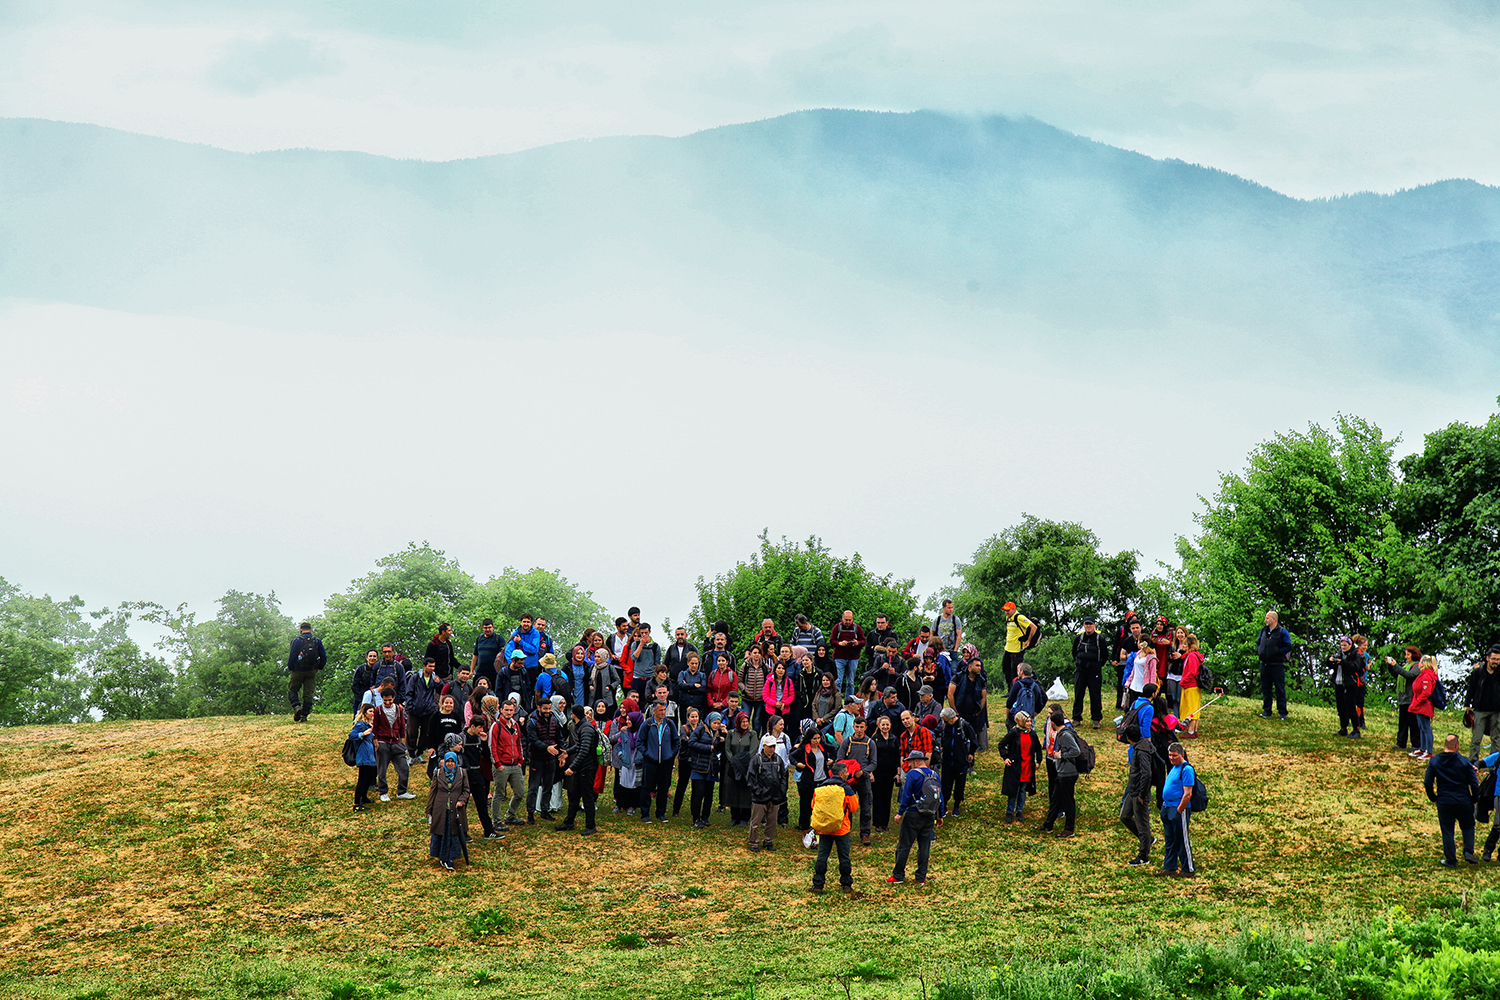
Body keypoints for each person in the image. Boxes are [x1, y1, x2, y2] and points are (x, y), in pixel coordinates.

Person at [1422, 733, 1480, 866]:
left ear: (1445, 745)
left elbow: (1427, 782)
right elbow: (1474, 783)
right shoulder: (1464, 762)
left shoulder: (1435, 761)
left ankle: (1451, 860)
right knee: (1468, 826)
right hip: (1463, 799)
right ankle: (1468, 851)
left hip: (1444, 800)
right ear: (1457, 745)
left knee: (1447, 830)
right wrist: (1474, 798)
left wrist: (1433, 797)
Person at [888, 749, 942, 884]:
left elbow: (906, 795)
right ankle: (921, 877)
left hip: (913, 813)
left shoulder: (913, 774)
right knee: (924, 846)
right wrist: (940, 814)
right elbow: (940, 795)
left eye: (911, 762)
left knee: (904, 845)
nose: (909, 765)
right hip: (929, 814)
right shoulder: (935, 774)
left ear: (916, 761)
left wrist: (900, 813)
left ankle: (898, 875)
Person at [809, 760, 859, 894]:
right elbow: (854, 808)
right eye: (847, 772)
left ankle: (818, 885)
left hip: (824, 828)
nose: (848, 774)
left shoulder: (820, 787)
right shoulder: (846, 789)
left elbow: (814, 805)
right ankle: (846, 884)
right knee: (844, 857)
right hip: (841, 829)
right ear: (842, 774)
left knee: (822, 856)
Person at [555, 704, 601, 834]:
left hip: (587, 768)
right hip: (582, 768)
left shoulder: (585, 728)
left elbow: (584, 751)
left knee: (587, 798)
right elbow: (579, 745)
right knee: (574, 795)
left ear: (573, 715)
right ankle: (569, 822)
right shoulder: (582, 726)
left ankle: (591, 826)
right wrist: (567, 752)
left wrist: (572, 767)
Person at [1040, 706, 1082, 837]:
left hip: (1068, 773)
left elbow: (1076, 751)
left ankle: (1069, 829)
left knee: (1067, 801)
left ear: (1053, 724)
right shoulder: (1063, 733)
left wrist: (1061, 755)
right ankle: (1048, 824)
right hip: (1062, 772)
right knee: (1055, 798)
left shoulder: (1065, 735)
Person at [525, 694, 567, 823]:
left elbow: (559, 738)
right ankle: (530, 813)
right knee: (534, 787)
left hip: (551, 759)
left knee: (548, 786)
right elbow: (533, 740)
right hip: (537, 758)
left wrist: (562, 752)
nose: (548, 711)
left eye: (549, 708)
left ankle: (545, 810)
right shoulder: (532, 722)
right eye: (545, 709)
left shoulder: (554, 720)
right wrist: (546, 747)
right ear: (539, 707)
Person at [426, 750, 470, 871]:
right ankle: (442, 856)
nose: (450, 764)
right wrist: (429, 809)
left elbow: (466, 790)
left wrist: (462, 800)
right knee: (441, 833)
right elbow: (433, 791)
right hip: (440, 809)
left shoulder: (462, 773)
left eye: (452, 761)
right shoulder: (438, 773)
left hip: (455, 810)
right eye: (448, 761)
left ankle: (450, 857)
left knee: (454, 833)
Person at [371, 686, 414, 802]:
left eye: (389, 700)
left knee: (404, 768)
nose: (387, 702)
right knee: (382, 770)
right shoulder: (378, 710)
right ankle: (383, 792)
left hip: (396, 743)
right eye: (385, 700)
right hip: (383, 743)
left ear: (393, 698)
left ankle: (402, 791)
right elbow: (374, 727)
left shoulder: (399, 710)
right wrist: (376, 741)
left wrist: (403, 742)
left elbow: (402, 726)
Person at [638, 699, 678, 823]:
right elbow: (640, 742)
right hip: (651, 761)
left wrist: (671, 755)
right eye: (660, 710)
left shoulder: (670, 724)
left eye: (664, 709)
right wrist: (647, 754)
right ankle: (645, 814)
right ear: (654, 710)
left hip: (665, 762)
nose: (663, 712)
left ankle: (661, 813)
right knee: (647, 787)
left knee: (663, 788)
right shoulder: (647, 724)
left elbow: (676, 741)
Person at [999, 711, 1043, 822]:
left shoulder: (1032, 734)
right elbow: (1001, 744)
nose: (1029, 723)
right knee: (1014, 789)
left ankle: (1019, 810)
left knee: (1023, 789)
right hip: (1016, 766)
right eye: (1026, 721)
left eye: (1030, 721)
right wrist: (1005, 757)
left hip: (1027, 766)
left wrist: (1038, 761)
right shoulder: (1014, 733)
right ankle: (1009, 811)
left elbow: (1038, 748)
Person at [839, 715, 877, 844]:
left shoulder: (870, 743)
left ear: (866, 728)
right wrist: (849, 772)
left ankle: (865, 833)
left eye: (862, 727)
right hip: (849, 780)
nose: (859, 729)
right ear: (853, 727)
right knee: (847, 806)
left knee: (866, 806)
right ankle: (846, 831)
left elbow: (874, 762)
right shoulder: (847, 741)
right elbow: (839, 760)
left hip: (864, 778)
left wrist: (863, 772)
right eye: (857, 727)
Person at [1160, 742, 1197, 876]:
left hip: (1178, 808)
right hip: (1167, 807)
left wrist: (1179, 810)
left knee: (1182, 839)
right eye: (1170, 755)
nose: (1171, 758)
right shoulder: (1173, 768)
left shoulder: (1186, 769)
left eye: (1174, 755)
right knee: (1170, 839)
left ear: (1182, 755)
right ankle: (1170, 866)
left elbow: (1188, 794)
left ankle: (1188, 868)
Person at [489, 698, 526, 829]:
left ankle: (510, 815)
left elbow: (519, 743)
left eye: (511, 710)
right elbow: (492, 746)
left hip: (515, 764)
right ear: (501, 710)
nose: (509, 712)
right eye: (506, 710)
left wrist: (521, 760)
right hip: (502, 765)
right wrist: (497, 764)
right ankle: (496, 821)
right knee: (499, 793)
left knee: (520, 792)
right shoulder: (496, 726)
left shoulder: (515, 725)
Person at [747, 734, 788, 852]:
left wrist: (782, 791)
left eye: (774, 746)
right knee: (756, 822)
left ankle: (768, 841)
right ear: (764, 746)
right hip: (760, 797)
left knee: (772, 821)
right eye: (770, 746)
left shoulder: (778, 759)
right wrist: (758, 791)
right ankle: (753, 842)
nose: (772, 749)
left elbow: (784, 775)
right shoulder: (756, 760)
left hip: (774, 796)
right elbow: (750, 778)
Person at [937, 707, 976, 819]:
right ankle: (943, 806)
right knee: (945, 783)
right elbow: (936, 732)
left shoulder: (964, 725)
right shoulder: (944, 725)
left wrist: (971, 753)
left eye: (946, 720)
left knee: (960, 784)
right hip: (947, 760)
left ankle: (957, 805)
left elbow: (973, 740)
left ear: (952, 718)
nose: (944, 723)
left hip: (960, 760)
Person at [685, 711, 721, 828]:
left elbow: (717, 748)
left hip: (711, 768)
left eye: (718, 723)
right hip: (699, 767)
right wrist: (708, 748)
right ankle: (696, 818)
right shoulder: (700, 730)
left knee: (709, 794)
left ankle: (705, 817)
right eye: (715, 723)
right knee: (698, 793)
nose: (716, 725)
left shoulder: (717, 733)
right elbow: (691, 743)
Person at [1464, 646, 1500, 762]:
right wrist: (1467, 703)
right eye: (1494, 659)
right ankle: (1473, 761)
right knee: (1476, 737)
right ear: (1487, 658)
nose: (1496, 662)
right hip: (1480, 709)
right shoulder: (1478, 672)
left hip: (1497, 710)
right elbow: (1471, 688)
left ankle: (1493, 763)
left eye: (1498, 659)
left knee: (1496, 739)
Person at [1385, 646, 1424, 752]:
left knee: (1413, 722)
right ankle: (1401, 743)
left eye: (1408, 654)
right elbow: (1397, 674)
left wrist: (1396, 666)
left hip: (1411, 698)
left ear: (1414, 655)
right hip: (1403, 697)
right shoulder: (1407, 665)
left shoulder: (1417, 666)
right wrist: (1391, 666)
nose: (1406, 657)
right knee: (1402, 722)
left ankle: (1416, 744)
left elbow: (1408, 675)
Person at [285, 622, 326, 722]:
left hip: (298, 670)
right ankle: (304, 716)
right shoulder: (317, 641)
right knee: (308, 694)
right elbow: (323, 656)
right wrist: (319, 667)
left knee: (293, 690)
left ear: (301, 629)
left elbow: (293, 655)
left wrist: (291, 667)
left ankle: (297, 707)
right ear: (310, 630)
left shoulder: (297, 641)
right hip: (312, 670)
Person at [1071, 617, 1107, 728]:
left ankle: (1096, 719)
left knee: (1095, 695)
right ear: (1083, 625)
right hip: (1081, 670)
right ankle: (1076, 718)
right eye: (1086, 624)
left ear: (1094, 625)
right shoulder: (1079, 638)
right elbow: (1074, 652)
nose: (1088, 626)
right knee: (1078, 694)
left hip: (1094, 671)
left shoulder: (1099, 639)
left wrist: (1097, 665)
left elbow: (1105, 655)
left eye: (1090, 624)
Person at [1255, 611, 1292, 720]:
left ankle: (1282, 712)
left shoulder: (1282, 632)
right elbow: (1258, 643)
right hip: (1264, 664)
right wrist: (1260, 650)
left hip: (1277, 665)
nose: (1265, 620)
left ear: (1274, 619)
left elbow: (1288, 646)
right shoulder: (1263, 631)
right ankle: (1267, 710)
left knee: (1279, 689)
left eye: (1267, 618)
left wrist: (1277, 652)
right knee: (1266, 688)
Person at [722, 711, 757, 826]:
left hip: (746, 767)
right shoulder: (732, 733)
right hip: (733, 766)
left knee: (745, 791)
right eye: (743, 721)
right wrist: (733, 761)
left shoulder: (752, 734)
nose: (745, 724)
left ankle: (744, 818)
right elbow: (727, 749)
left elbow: (752, 751)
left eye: (747, 721)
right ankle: (734, 817)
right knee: (733, 789)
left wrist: (742, 762)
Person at [610, 708, 644, 816]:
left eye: (630, 720)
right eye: (627, 719)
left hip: (637, 760)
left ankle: (632, 806)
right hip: (626, 760)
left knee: (635, 783)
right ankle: (620, 805)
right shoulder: (624, 732)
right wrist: (620, 754)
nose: (628, 722)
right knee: (623, 782)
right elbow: (619, 744)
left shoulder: (642, 733)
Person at [1327, 636, 1362, 738]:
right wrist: (1330, 660)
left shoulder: (1356, 654)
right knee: (1341, 708)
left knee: (1350, 707)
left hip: (1350, 684)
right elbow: (1330, 665)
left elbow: (1355, 667)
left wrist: (1342, 662)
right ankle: (1343, 728)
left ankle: (1356, 729)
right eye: (1341, 645)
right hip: (1338, 683)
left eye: (1345, 645)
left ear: (1350, 645)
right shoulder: (1338, 653)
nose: (1343, 647)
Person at [795, 728, 830, 830]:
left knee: (821, 804)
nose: (817, 741)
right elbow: (792, 756)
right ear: (809, 739)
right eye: (814, 739)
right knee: (805, 803)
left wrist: (832, 760)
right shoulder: (804, 749)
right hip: (808, 781)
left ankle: (819, 823)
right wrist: (798, 764)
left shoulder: (822, 747)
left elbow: (833, 749)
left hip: (822, 779)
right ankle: (804, 824)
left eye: (819, 738)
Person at [672, 707, 703, 818]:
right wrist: (695, 741)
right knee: (682, 785)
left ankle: (694, 810)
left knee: (696, 787)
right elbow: (684, 740)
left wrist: (692, 740)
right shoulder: (684, 728)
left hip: (697, 760)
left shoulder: (701, 728)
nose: (694, 719)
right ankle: (676, 809)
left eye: (696, 716)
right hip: (685, 759)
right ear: (688, 718)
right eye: (692, 717)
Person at [871, 714, 900, 832]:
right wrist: (871, 772)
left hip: (890, 773)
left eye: (887, 725)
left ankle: (885, 823)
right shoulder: (874, 739)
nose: (885, 727)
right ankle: (877, 823)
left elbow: (898, 756)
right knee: (877, 798)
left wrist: (898, 773)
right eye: (883, 725)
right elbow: (871, 756)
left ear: (890, 725)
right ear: (879, 725)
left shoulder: (894, 739)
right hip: (877, 773)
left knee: (887, 798)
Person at [1409, 655, 1441, 760]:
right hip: (1419, 705)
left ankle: (1429, 751)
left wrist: (1417, 702)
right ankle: (1422, 748)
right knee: (1421, 727)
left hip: (1424, 705)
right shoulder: (1423, 675)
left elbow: (1426, 692)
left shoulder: (1427, 676)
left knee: (1426, 727)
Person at [828, 610, 866, 697]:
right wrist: (839, 643)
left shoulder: (857, 628)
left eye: (850, 620)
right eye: (846, 620)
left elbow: (863, 642)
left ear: (852, 619)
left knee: (850, 681)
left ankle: (849, 701)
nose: (848, 622)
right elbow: (831, 641)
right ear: (842, 619)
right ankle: (836, 699)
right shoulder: (837, 627)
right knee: (838, 680)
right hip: (839, 657)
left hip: (853, 657)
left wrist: (857, 643)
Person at [1002, 602, 1037, 687]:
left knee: (1015, 671)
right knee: (1006, 668)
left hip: (1017, 649)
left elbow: (1033, 627)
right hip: (1008, 648)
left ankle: (1017, 688)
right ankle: (1010, 689)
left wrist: (1028, 640)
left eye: (1008, 610)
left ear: (1014, 610)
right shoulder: (1008, 618)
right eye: (1005, 610)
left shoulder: (1019, 617)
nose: (1006, 612)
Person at [349, 705, 378, 811]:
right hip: (363, 755)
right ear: (364, 713)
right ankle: (357, 803)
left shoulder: (369, 724)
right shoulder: (361, 725)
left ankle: (364, 797)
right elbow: (352, 736)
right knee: (362, 779)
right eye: (370, 711)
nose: (372, 713)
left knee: (369, 778)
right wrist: (363, 734)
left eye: (373, 711)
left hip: (370, 756)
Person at [1179, 636, 1205, 738]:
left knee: (1192, 709)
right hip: (1191, 685)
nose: (1183, 646)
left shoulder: (1192, 656)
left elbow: (1192, 672)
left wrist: (1183, 681)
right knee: (1194, 708)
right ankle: (1193, 729)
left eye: (1185, 644)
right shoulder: (1193, 656)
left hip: (1191, 685)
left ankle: (1191, 731)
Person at [764, 660, 798, 731]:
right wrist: (775, 704)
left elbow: (792, 696)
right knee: (772, 729)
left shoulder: (789, 681)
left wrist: (784, 703)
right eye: (779, 668)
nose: (781, 670)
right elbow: (765, 696)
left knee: (783, 729)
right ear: (775, 669)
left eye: (783, 668)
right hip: (772, 709)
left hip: (784, 709)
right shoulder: (769, 681)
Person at [740, 646, 768, 729]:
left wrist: (764, 693)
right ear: (751, 654)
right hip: (746, 698)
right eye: (755, 653)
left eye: (759, 653)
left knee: (757, 720)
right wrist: (744, 690)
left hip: (760, 699)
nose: (757, 655)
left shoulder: (764, 667)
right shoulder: (746, 665)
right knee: (745, 718)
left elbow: (767, 682)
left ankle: (755, 739)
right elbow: (740, 681)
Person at [471, 618, 504, 690]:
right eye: (485, 628)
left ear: (493, 627)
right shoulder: (479, 638)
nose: (488, 630)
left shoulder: (498, 638)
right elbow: (475, 655)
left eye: (489, 627)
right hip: (480, 672)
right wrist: (471, 670)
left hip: (494, 673)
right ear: (482, 628)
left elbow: (503, 654)